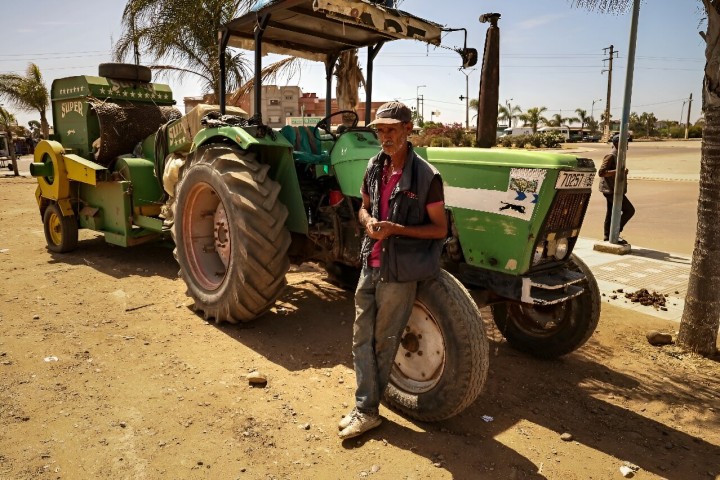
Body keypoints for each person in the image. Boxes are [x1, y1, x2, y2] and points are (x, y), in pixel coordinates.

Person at [338, 101, 447, 440]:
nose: (384, 136)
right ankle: (365, 404)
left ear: (407, 130)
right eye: (380, 131)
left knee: (384, 343)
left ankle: (366, 410)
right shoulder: (374, 166)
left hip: (399, 272)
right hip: (370, 263)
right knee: (360, 337)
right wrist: (369, 221)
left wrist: (395, 229)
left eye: (391, 130)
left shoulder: (426, 176)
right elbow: (364, 207)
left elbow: (439, 229)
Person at [598, 135, 635, 244]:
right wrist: (619, 170)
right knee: (629, 210)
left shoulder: (619, 154)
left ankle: (607, 235)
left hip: (614, 189)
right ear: (616, 144)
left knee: (611, 212)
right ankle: (615, 233)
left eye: (627, 142)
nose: (626, 145)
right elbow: (601, 173)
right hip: (610, 190)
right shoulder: (610, 155)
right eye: (624, 142)